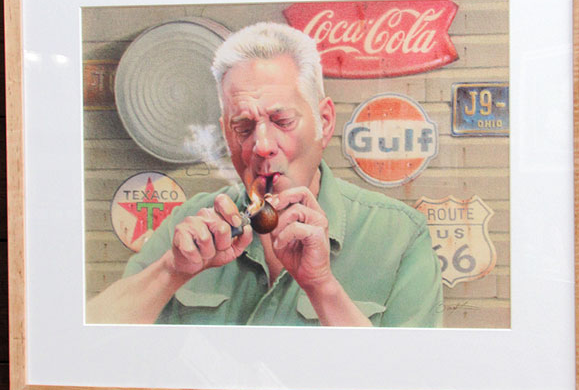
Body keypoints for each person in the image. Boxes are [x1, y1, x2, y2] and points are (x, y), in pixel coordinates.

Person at [87, 22, 443, 327]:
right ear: (226, 134)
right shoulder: (189, 223)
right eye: (243, 126)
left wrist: (322, 286)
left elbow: (411, 385)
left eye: (281, 121)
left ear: (324, 121)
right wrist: (171, 271)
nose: (262, 146)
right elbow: (90, 345)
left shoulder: (399, 236)